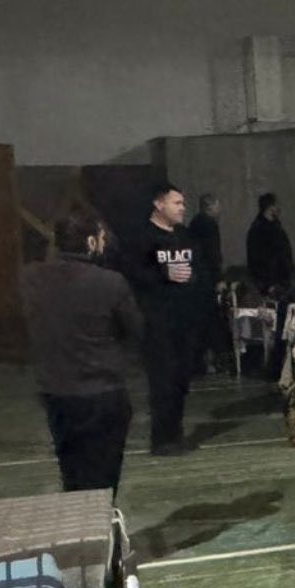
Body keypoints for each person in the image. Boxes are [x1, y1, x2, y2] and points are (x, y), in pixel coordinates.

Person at [20, 212, 141, 493]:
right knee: (104, 472)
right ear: (91, 242)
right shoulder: (110, 282)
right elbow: (135, 330)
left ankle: (80, 517)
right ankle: (103, 519)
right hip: (102, 390)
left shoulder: (32, 278)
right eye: (101, 238)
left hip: (57, 390)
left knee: (71, 470)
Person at [115, 181, 200, 456]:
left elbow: (201, 269)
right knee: (163, 379)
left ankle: (176, 432)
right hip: (156, 320)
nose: (182, 208)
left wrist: (195, 280)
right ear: (159, 204)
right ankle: (162, 439)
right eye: (177, 203)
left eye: (183, 203)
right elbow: (130, 273)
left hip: (184, 319)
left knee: (181, 379)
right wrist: (164, 275)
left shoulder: (185, 237)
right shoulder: (141, 237)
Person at [187, 192, 226, 375]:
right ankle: (210, 361)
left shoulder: (193, 224)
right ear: (210, 206)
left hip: (196, 279)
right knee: (210, 321)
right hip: (207, 279)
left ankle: (198, 361)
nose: (220, 209)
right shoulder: (210, 225)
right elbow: (213, 254)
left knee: (198, 321)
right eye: (217, 205)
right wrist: (218, 278)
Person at [246, 191, 294, 291]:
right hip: (267, 283)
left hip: (281, 282)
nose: (279, 208)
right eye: (276, 205)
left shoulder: (276, 227)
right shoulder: (258, 230)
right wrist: (267, 283)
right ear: (270, 207)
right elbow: (257, 258)